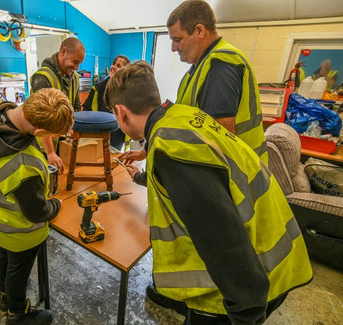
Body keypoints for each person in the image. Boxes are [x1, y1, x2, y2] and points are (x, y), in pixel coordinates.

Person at [104, 61, 313, 325]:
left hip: (249, 283)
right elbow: (202, 181)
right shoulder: (182, 116)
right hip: (270, 252)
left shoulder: (173, 149)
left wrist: (244, 312)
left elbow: (223, 240)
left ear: (121, 113)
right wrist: (143, 177)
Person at [120, 0, 267, 166]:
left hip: (241, 177)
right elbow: (181, 120)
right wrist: (146, 151)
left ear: (199, 31)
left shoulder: (221, 64)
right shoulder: (197, 69)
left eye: (177, 39)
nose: (173, 48)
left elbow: (221, 142)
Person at [0, 88, 75, 325]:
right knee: (18, 269)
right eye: (54, 135)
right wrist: (55, 206)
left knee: (4, 259)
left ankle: (5, 297)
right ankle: (17, 314)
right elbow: (36, 212)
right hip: (16, 228)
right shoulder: (22, 163)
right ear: (39, 132)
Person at [30, 37, 85, 174]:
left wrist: (71, 129)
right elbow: (42, 120)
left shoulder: (74, 77)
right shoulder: (42, 77)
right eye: (75, 62)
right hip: (41, 144)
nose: (77, 67)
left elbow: (76, 108)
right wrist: (50, 153)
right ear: (63, 52)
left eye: (79, 63)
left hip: (61, 140)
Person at [82, 55, 130, 150]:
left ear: (126, 72)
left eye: (118, 66)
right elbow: (85, 112)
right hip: (97, 135)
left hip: (117, 138)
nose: (113, 67)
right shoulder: (97, 89)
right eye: (113, 64)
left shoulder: (128, 93)